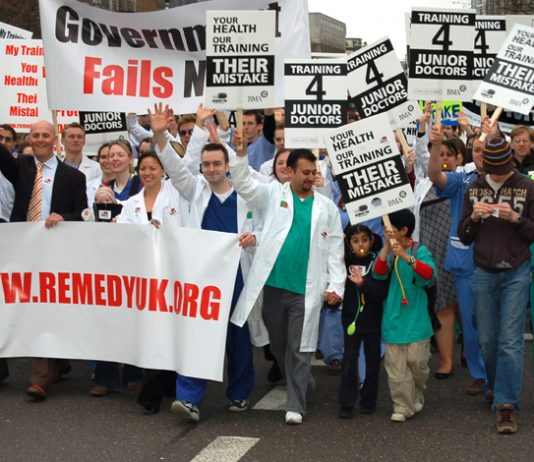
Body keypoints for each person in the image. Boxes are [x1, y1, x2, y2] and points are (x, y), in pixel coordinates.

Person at [150, 103, 260, 422]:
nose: (211, 169)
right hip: (203, 277)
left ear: (228, 166)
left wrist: (255, 238)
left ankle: (239, 393)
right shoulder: (193, 190)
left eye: (217, 164)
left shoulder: (247, 193)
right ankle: (189, 399)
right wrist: (159, 133)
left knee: (238, 339)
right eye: (206, 164)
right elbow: (172, 163)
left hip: (238, 275)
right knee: (197, 335)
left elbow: (269, 222)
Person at [230, 132, 345, 425]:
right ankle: (303, 381)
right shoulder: (272, 195)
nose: (311, 177)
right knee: (278, 345)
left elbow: (335, 249)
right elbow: (242, 184)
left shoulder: (326, 208)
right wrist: (241, 154)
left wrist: (335, 286)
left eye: (314, 172)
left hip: (305, 290)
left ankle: (296, 404)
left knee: (300, 347)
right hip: (273, 286)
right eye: (305, 172)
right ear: (289, 172)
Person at [0, 120, 87, 400]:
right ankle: (56, 363)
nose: (38, 139)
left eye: (44, 135)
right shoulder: (21, 168)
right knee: (14, 303)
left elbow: (83, 213)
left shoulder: (73, 177)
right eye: (34, 135)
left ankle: (40, 379)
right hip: (21, 248)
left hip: (54, 251)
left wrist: (64, 217)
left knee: (43, 308)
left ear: (55, 139)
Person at [458, 136, 534, 434]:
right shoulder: (474, 187)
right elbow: (464, 235)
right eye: (493, 169)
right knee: (487, 339)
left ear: (512, 162)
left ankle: (506, 404)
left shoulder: (527, 186)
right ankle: (495, 384)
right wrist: (474, 218)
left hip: (516, 269)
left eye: (503, 168)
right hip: (483, 269)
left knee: (511, 340)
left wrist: (516, 218)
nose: (498, 174)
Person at [428, 124, 488, 395]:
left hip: (498, 262)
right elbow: (436, 176)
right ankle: (478, 373)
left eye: (486, 149)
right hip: (466, 263)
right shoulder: (462, 179)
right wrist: (437, 147)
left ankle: (495, 376)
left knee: (493, 324)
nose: (481, 154)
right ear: (470, 153)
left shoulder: (511, 179)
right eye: (476, 149)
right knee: (472, 322)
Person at [373, 209, 436, 423]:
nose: (385, 231)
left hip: (417, 321)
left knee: (418, 365)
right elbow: (378, 272)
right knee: (396, 369)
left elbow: (429, 275)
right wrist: (386, 246)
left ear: (404, 230)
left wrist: (406, 256)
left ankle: (417, 393)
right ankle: (402, 405)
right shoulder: (389, 251)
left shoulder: (420, 250)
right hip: (393, 319)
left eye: (390, 228)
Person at [339, 224, 387, 419]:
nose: (361, 245)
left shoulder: (377, 263)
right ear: (349, 244)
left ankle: (368, 400)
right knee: (349, 359)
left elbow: (381, 292)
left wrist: (363, 284)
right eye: (356, 241)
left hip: (373, 320)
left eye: (365, 240)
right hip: (351, 319)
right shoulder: (343, 262)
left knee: (372, 361)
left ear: (372, 241)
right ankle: (346, 402)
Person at [116, 151, 183, 227]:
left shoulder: (176, 192)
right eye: (142, 168)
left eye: (152, 168)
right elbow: (125, 232)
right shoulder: (131, 203)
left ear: (163, 170)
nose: (147, 173)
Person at [86, 143, 115, 208]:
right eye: (103, 157)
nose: (107, 161)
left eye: (110, 156)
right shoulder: (88, 188)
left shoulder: (127, 186)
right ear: (98, 160)